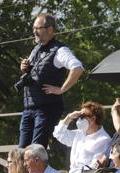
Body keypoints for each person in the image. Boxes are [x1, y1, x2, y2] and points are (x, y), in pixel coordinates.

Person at [18, 13, 84, 148]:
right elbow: (35, 71)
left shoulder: (60, 50)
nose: (34, 31)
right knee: (22, 151)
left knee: (36, 150)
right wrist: (25, 67)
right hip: (29, 108)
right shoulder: (36, 49)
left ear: (50, 29)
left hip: (46, 109)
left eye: (38, 28)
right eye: (34, 28)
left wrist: (61, 89)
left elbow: (77, 68)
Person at [52, 101, 111, 173]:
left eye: (82, 116)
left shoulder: (103, 140)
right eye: (79, 116)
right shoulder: (79, 133)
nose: (79, 119)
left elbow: (94, 168)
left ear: (93, 118)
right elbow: (58, 134)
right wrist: (69, 117)